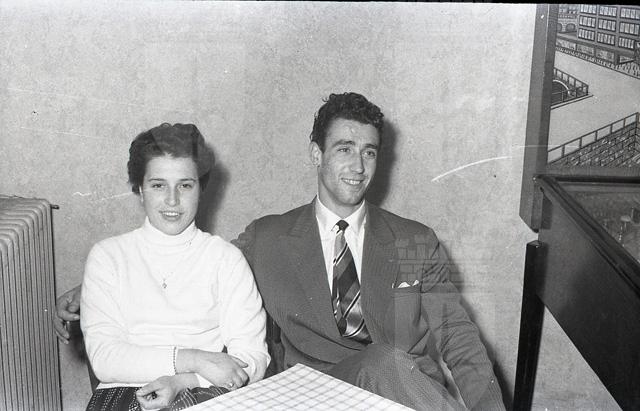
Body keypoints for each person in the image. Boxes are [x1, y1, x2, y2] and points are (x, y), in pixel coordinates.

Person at [56, 94, 503, 410]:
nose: (357, 166)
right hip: (314, 396)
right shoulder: (268, 238)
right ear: (316, 154)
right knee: (382, 359)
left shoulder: (413, 241)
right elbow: (189, 262)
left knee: (387, 361)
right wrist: (87, 291)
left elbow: (460, 341)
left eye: (369, 152)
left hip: (401, 396)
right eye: (344, 149)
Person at [78, 123, 269, 410]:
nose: (172, 200)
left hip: (204, 389)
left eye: (185, 185)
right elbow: (105, 359)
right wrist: (193, 359)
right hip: (125, 392)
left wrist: (185, 380)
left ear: (201, 189)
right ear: (140, 189)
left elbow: (253, 358)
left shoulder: (225, 258)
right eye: (158, 185)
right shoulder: (108, 256)